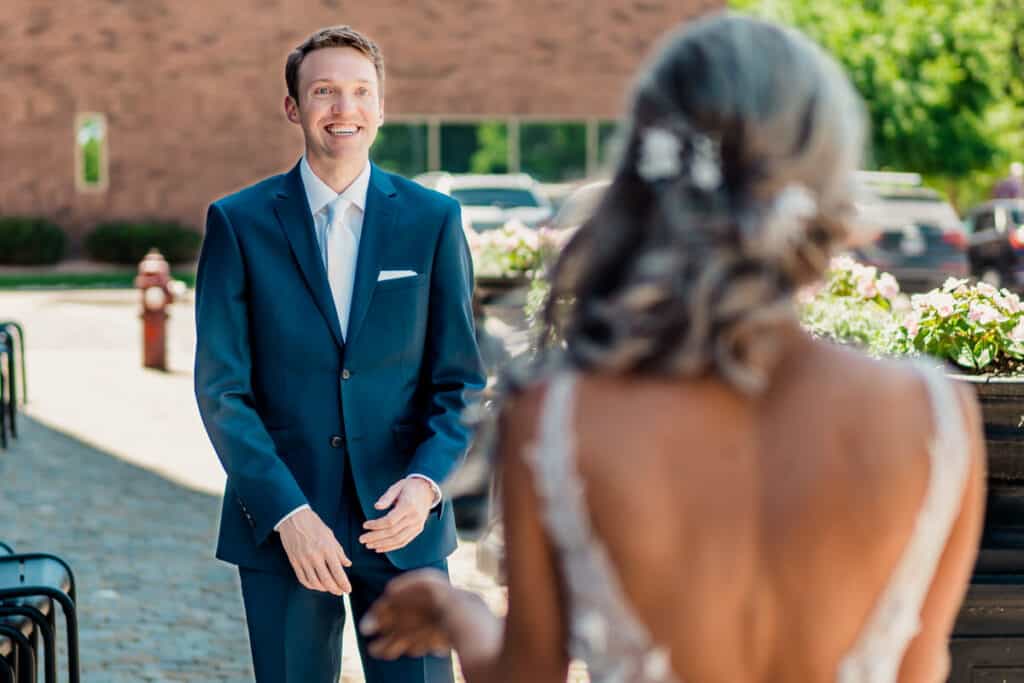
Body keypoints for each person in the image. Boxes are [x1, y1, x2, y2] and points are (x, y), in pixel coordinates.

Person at [360, 13, 986, 683]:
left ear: (646, 174)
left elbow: (526, 674)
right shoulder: (934, 415)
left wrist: (461, 613)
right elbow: (919, 666)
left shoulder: (557, 413)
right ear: (825, 172)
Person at [193, 25, 484, 683]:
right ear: (294, 107)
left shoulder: (432, 220)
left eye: (360, 93)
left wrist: (426, 483)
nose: (343, 109)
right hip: (285, 525)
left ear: (381, 108)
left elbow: (461, 383)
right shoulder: (238, 224)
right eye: (324, 91)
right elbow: (221, 390)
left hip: (403, 527)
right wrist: (286, 514)